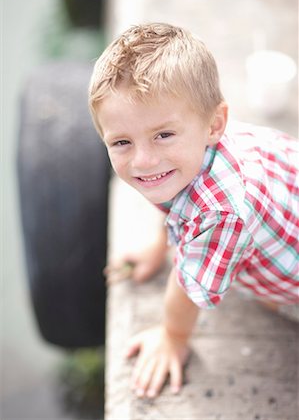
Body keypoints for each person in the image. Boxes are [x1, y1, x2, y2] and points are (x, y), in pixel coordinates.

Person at [88, 22, 299, 399]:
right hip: (281, 205)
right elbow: (170, 203)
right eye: (121, 142)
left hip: (286, 256)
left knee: (270, 302)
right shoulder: (184, 157)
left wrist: (173, 335)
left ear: (215, 124)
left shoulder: (221, 212)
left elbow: (188, 286)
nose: (144, 160)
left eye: (163, 135)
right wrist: (160, 245)